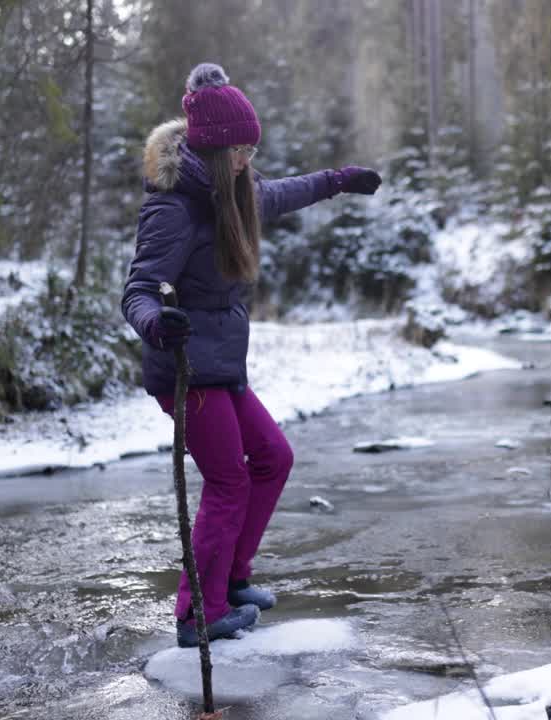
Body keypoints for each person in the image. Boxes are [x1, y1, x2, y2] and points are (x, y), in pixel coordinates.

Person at [122, 62, 382, 648]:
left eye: (250, 148)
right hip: (186, 370)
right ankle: (198, 613)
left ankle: (232, 581)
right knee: (228, 481)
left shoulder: (236, 193)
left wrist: (338, 180)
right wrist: (157, 323)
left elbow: (286, 192)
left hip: (224, 367)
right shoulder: (175, 209)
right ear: (214, 149)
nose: (247, 159)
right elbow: (137, 290)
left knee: (273, 457)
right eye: (239, 149)